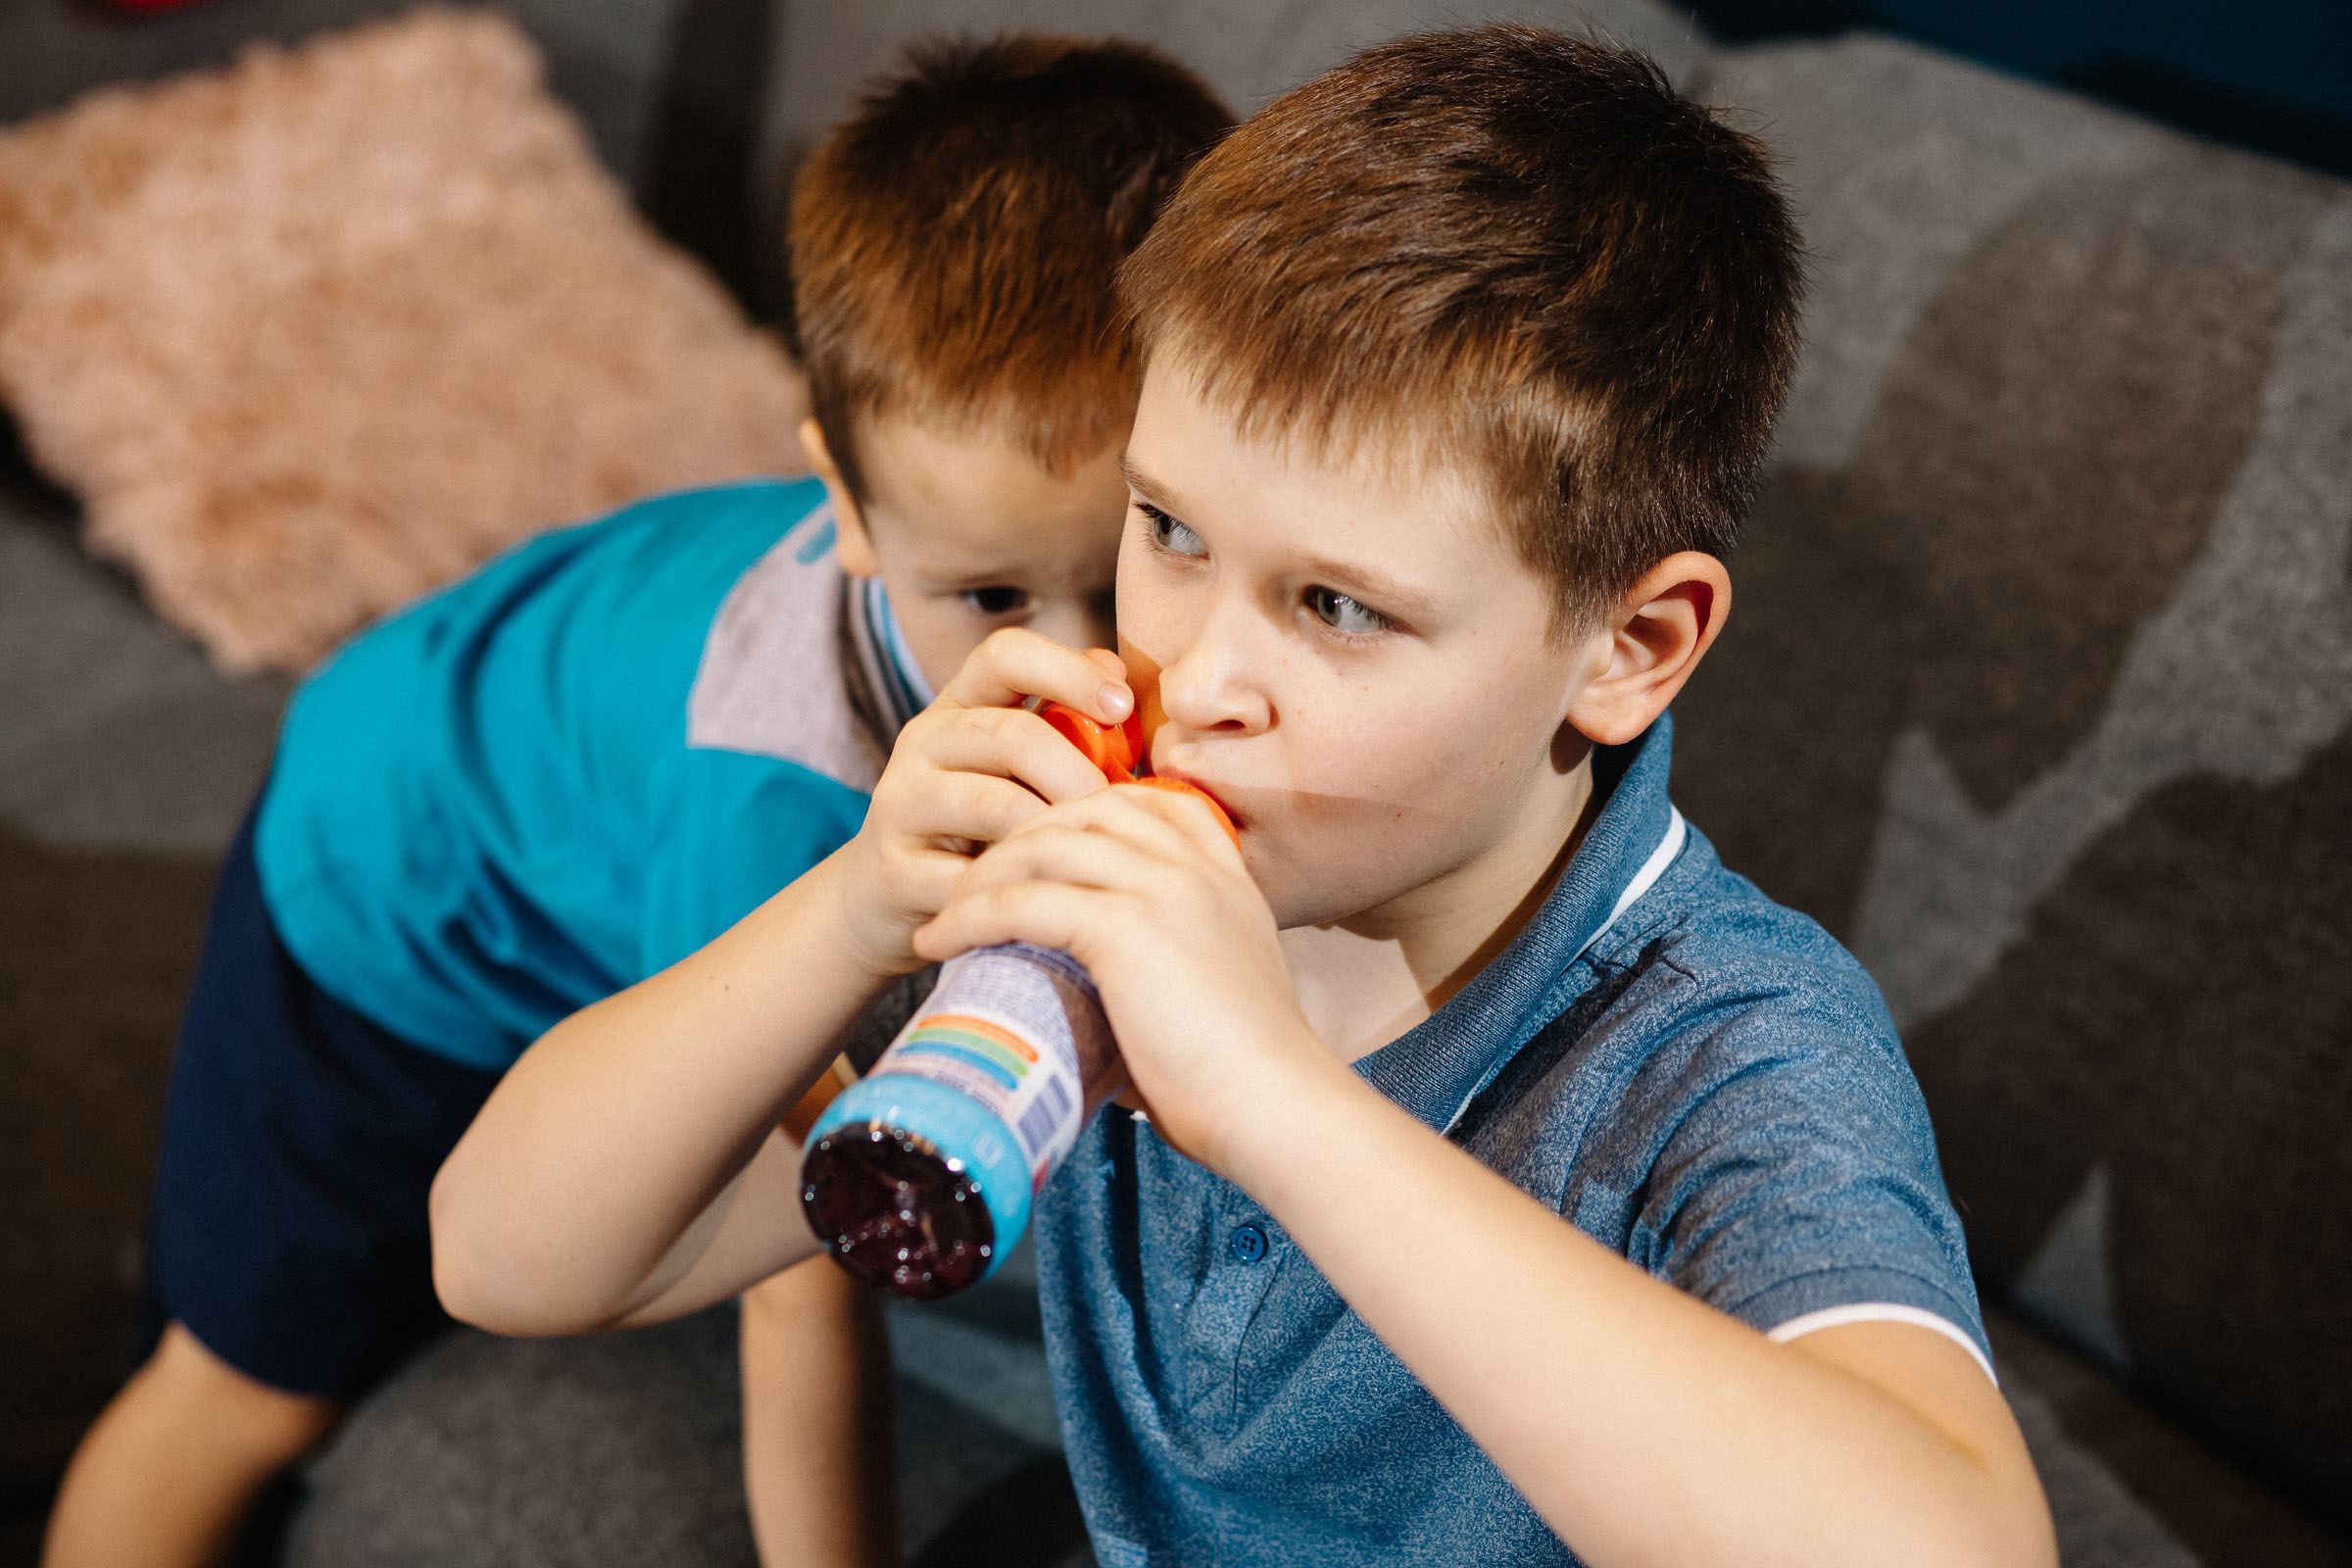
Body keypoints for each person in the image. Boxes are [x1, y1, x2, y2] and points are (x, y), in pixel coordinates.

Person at [430, 25, 2059, 1567]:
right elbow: (510, 1258)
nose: (1194, 674)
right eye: (1173, 532)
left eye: (1338, 608)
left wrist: (1273, 1101)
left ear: (1632, 648)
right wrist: (855, 907)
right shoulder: (1097, 881)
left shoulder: (1719, 1045)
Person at [42, 35, 1231, 1568]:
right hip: (390, 872)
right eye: (993, 593)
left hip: (549, 698)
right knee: (249, 1386)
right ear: (850, 513)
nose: (1076, 669)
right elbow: (797, 1263)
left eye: (1143, 555)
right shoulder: (773, 807)